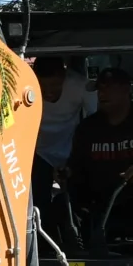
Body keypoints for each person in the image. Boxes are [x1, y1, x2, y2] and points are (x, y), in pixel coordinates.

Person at [66, 66, 133, 256]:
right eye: (99, 89)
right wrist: (67, 172)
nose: (102, 94)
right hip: (101, 204)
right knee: (63, 202)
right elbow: (77, 166)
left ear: (126, 89)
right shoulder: (88, 128)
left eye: (108, 88)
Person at [31, 57, 90, 252]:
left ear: (64, 77)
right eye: (43, 86)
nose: (48, 91)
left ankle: (76, 244)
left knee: (73, 200)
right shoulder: (26, 85)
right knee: (38, 201)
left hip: (71, 147)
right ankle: (42, 248)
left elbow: (94, 120)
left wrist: (79, 157)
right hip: (39, 150)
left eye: (55, 85)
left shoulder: (78, 86)